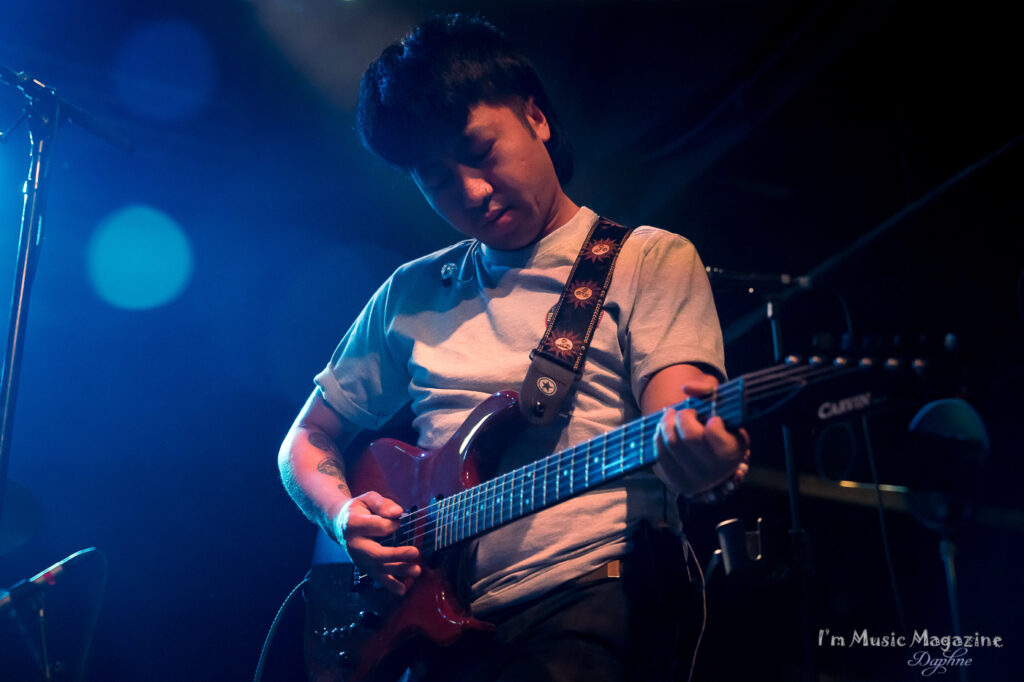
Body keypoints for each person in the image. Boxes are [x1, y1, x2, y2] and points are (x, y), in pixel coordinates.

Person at [279, 13, 749, 681]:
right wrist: (343, 515)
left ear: (536, 116)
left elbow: (682, 433)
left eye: (479, 151)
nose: (471, 191)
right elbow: (305, 439)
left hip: (591, 595)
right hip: (435, 629)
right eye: (437, 179)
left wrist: (706, 457)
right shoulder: (410, 293)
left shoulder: (648, 260)